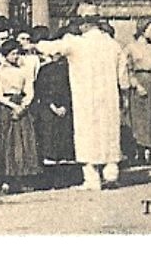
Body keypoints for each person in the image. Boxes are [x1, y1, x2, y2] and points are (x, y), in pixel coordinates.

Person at [36, 13, 126, 190]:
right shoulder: (113, 45)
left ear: (84, 25)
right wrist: (123, 90)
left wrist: (35, 44)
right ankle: (111, 171)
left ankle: (92, 178)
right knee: (108, 130)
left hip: (85, 97)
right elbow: (123, 76)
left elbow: (53, 48)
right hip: (108, 96)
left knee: (87, 133)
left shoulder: (77, 43)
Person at [0, 41, 40, 190]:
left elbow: (30, 90)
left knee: (22, 141)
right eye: (12, 53)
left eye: (17, 53)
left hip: (21, 103)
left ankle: (22, 177)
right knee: (6, 140)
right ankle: (5, 177)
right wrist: (13, 106)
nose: (15, 56)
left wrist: (23, 105)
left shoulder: (24, 70)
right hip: (5, 106)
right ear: (5, 55)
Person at [123, 17, 151, 163]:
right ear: (143, 30)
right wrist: (136, 84)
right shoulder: (131, 47)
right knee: (141, 118)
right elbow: (128, 68)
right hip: (141, 82)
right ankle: (140, 151)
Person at [30, 25, 75, 171]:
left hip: (65, 109)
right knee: (50, 142)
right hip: (49, 110)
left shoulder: (71, 69)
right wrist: (53, 106)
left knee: (64, 142)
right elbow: (41, 91)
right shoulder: (46, 70)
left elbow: (72, 89)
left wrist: (65, 106)